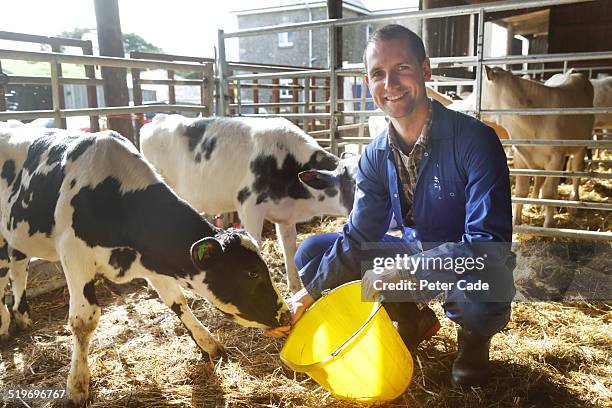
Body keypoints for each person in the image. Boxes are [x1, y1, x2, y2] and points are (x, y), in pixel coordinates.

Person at [265, 24, 515, 387]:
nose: (391, 84)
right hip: (415, 249)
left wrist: (404, 272)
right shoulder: (375, 155)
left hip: (467, 257)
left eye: (402, 68)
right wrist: (308, 294)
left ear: (425, 70)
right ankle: (410, 316)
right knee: (314, 252)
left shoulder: (475, 140)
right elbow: (359, 235)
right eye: (378, 74)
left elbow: (487, 244)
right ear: (369, 83)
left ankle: (473, 341)